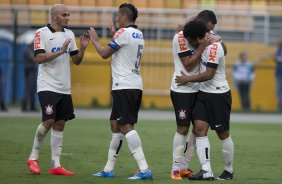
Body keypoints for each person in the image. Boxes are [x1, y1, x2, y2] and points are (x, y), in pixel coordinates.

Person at [88, 3, 153, 180]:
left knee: (125, 125)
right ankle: (108, 169)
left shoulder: (122, 33)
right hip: (133, 84)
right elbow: (124, 50)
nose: (116, 19)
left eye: (118, 16)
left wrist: (95, 40)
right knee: (115, 125)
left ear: (124, 17)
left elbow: (104, 53)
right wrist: (113, 34)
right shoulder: (138, 33)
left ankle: (144, 168)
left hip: (124, 85)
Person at [26, 4, 90, 176]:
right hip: (47, 85)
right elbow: (39, 58)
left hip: (64, 87)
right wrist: (61, 51)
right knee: (48, 121)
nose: (68, 17)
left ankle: (56, 165)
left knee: (60, 124)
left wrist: (83, 47)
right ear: (54, 16)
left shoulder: (69, 34)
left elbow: (76, 61)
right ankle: (33, 158)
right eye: (64, 15)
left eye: (68, 14)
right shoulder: (41, 33)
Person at [175, 20, 234, 180]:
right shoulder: (209, 40)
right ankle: (206, 171)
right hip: (203, 93)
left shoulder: (214, 47)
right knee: (199, 130)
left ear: (198, 38)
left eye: (190, 40)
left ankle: (228, 170)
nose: (189, 43)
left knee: (223, 134)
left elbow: (209, 74)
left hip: (218, 95)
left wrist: (187, 79)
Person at [170, 10, 219, 180]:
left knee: (198, 130)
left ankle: (184, 165)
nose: (208, 32)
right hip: (182, 90)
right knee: (183, 129)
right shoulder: (180, 38)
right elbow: (189, 65)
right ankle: (175, 168)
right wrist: (203, 46)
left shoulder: (201, 35)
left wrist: (218, 39)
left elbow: (223, 49)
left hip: (199, 89)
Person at [22, 41, 38, 112]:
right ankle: (25, 106)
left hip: (30, 70)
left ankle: (32, 106)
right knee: (29, 88)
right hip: (30, 70)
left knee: (32, 88)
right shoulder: (28, 50)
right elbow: (34, 59)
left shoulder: (28, 49)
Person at [275, 40, 282, 112]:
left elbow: (278, 59)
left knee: (280, 91)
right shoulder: (278, 51)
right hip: (279, 74)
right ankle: (279, 107)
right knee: (278, 91)